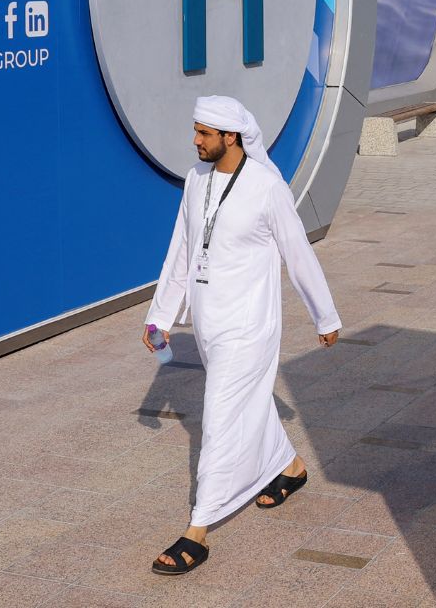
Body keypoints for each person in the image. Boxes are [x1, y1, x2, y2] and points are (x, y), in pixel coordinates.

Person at [144, 95, 342, 575]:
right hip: (210, 324)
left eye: (204, 133)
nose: (195, 140)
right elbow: (182, 249)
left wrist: (325, 315)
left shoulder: (266, 186)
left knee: (220, 418)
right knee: (246, 404)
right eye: (196, 130)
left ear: (230, 137)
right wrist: (161, 316)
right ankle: (290, 467)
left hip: (251, 326)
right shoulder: (195, 180)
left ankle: (198, 530)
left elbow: (298, 252)